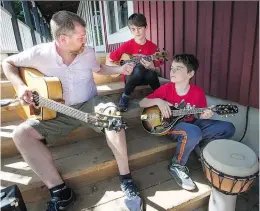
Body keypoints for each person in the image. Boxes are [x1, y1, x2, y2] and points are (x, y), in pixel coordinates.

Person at [2, 11, 142, 211]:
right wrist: (20, 86)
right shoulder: (39, 53)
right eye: (81, 37)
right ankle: (60, 191)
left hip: (90, 103)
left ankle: (126, 179)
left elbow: (99, 69)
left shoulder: (88, 51)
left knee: (113, 117)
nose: (85, 40)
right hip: (57, 112)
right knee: (20, 134)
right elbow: (7, 63)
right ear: (63, 39)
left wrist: (120, 70)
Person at [139, 54, 235, 191]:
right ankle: (177, 165)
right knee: (193, 132)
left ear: (190, 73)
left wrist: (205, 114)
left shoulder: (198, 92)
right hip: (169, 125)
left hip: (192, 122)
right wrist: (158, 101)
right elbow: (142, 103)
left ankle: (199, 144)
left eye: (178, 69)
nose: (172, 71)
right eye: (172, 68)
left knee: (228, 128)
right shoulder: (166, 88)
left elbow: (200, 115)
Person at [106, 13, 162, 112]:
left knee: (150, 72)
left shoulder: (153, 47)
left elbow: (158, 71)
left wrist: (152, 67)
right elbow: (109, 60)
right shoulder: (126, 46)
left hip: (146, 78)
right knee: (138, 69)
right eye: (133, 29)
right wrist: (120, 70)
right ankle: (125, 96)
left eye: (139, 28)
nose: (137, 32)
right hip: (131, 78)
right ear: (130, 30)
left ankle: (161, 95)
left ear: (146, 27)